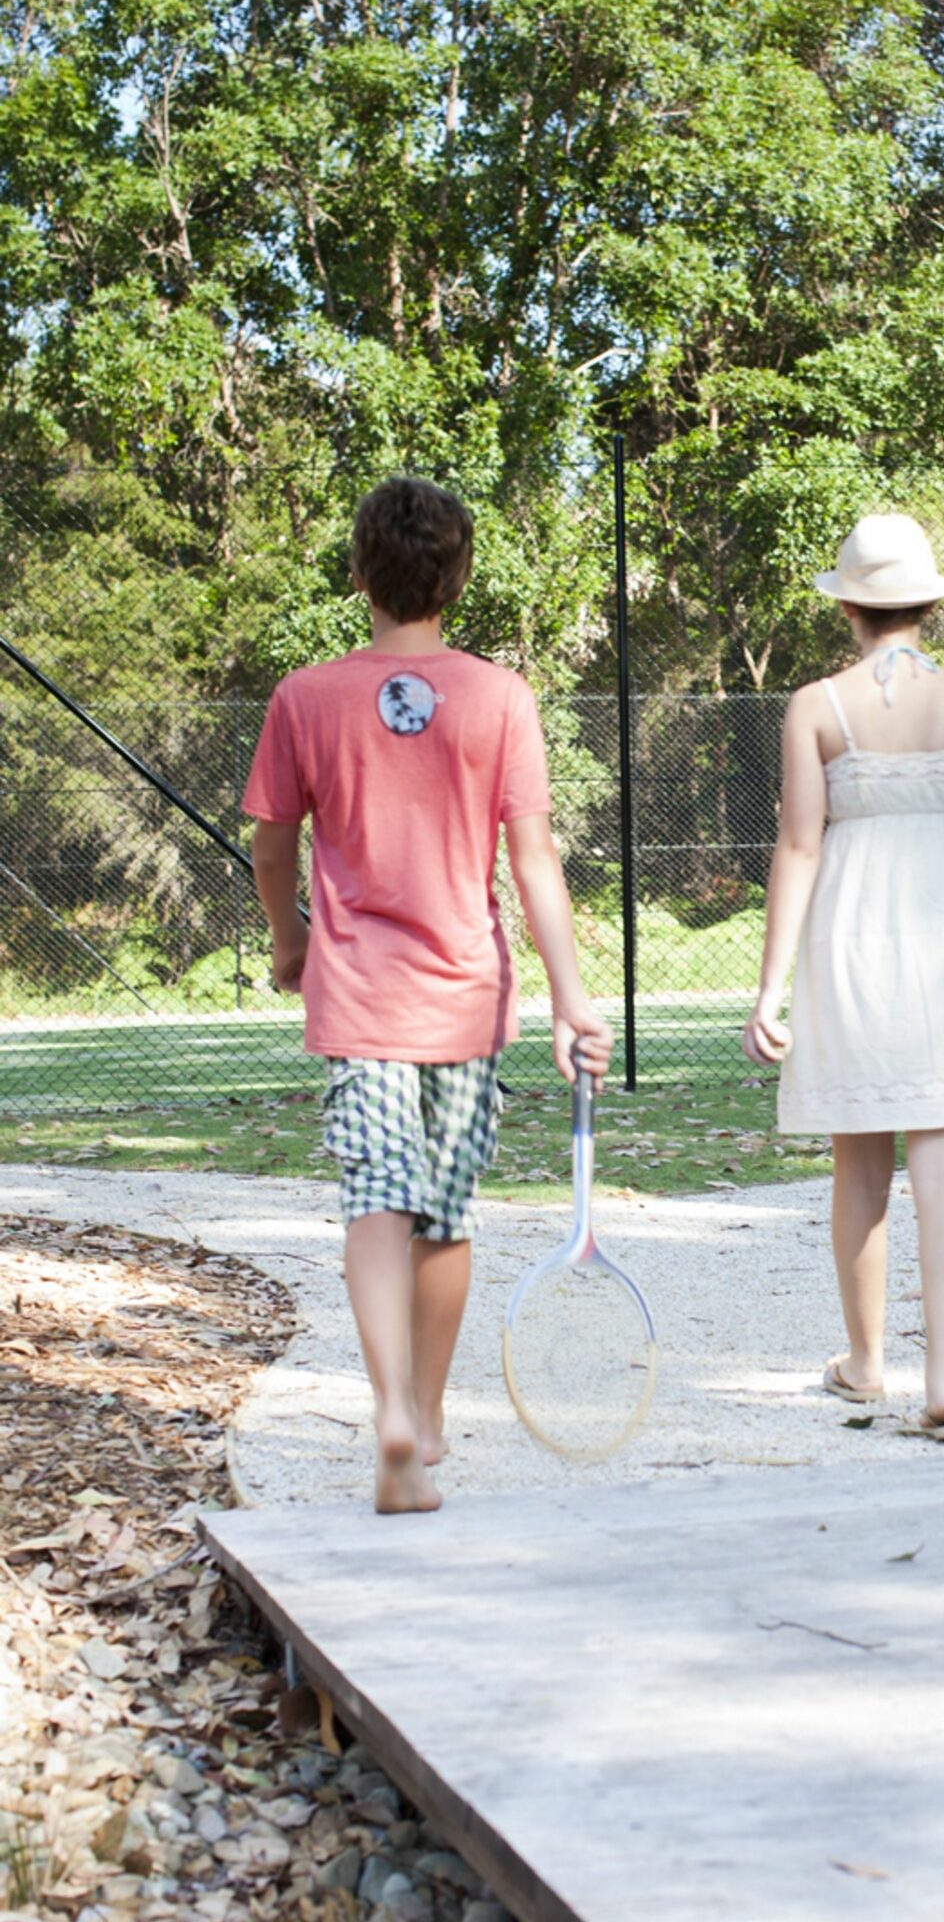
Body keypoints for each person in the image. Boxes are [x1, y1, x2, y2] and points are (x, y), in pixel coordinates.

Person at [244, 475, 613, 1514]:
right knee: (444, 1218)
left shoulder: (304, 697)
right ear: (459, 578)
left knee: (375, 1197)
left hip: (357, 994)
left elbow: (273, 846)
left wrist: (291, 942)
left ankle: (390, 1411)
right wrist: (569, 997)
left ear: (358, 571)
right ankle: (430, 1414)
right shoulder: (500, 697)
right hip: (465, 999)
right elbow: (534, 861)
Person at [743, 513, 944, 1440]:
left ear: (850, 611)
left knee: (859, 1169)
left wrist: (768, 988)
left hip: (849, 955)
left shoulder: (815, 706)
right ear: (926, 605)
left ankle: (867, 1365)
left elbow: (797, 845)